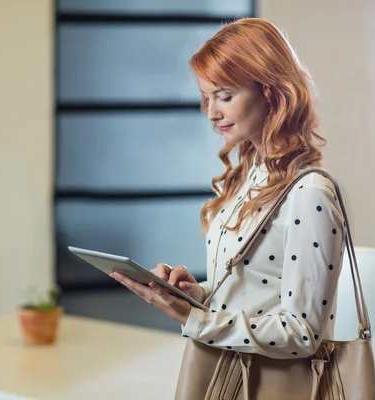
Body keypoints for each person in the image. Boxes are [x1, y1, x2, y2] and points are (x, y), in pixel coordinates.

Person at [110, 17, 344, 359]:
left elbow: (302, 332)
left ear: (270, 91)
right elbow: (256, 295)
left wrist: (194, 319)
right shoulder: (249, 173)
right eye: (207, 98)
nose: (211, 113)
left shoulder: (309, 194)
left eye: (225, 96)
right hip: (230, 374)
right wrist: (199, 295)